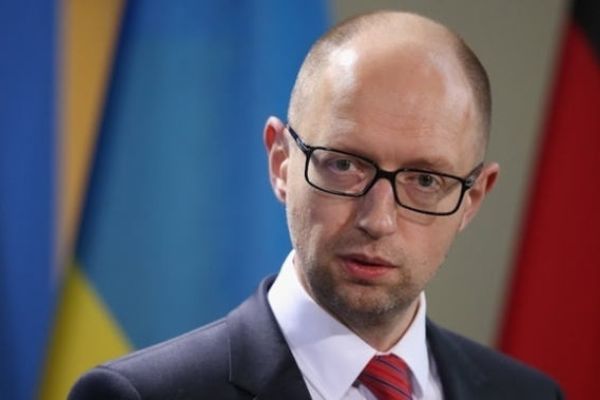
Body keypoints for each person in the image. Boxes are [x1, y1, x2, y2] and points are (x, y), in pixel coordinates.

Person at [69, 10, 563, 400]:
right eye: (344, 165)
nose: (378, 219)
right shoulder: (137, 396)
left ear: (472, 199)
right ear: (281, 162)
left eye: (425, 180)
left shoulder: (530, 395)